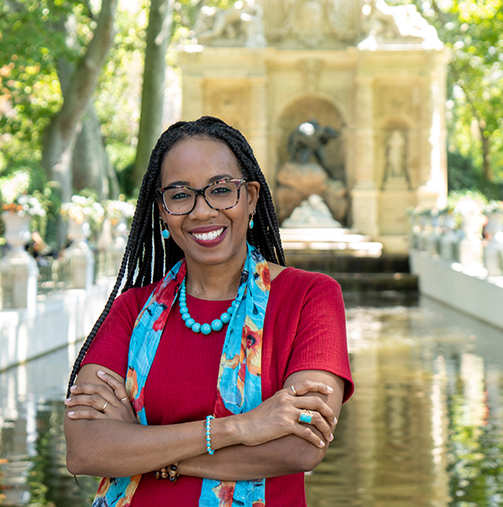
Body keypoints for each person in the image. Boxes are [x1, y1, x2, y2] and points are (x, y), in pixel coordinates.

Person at [63, 116, 354, 506]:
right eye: (180, 195)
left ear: (250, 198)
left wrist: (145, 452)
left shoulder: (309, 298)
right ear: (163, 212)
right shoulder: (131, 310)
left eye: (220, 190)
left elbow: (300, 447)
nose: (202, 212)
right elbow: (85, 450)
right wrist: (243, 428)